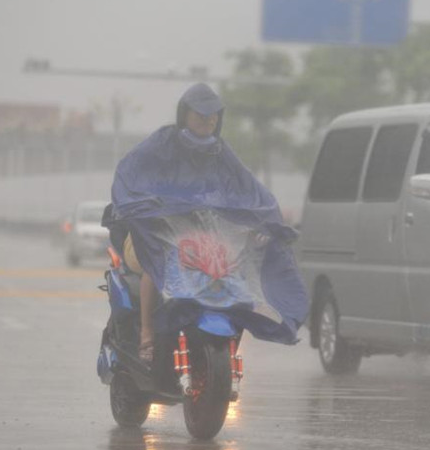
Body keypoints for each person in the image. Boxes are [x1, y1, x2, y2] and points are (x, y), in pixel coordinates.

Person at [107, 83, 307, 362]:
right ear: (184, 114)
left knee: (235, 263)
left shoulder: (220, 152)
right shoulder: (162, 144)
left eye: (213, 115)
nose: (208, 120)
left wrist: (265, 221)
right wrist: (150, 207)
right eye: (200, 114)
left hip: (200, 236)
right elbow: (129, 174)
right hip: (153, 232)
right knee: (157, 264)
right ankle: (147, 335)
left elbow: (248, 188)